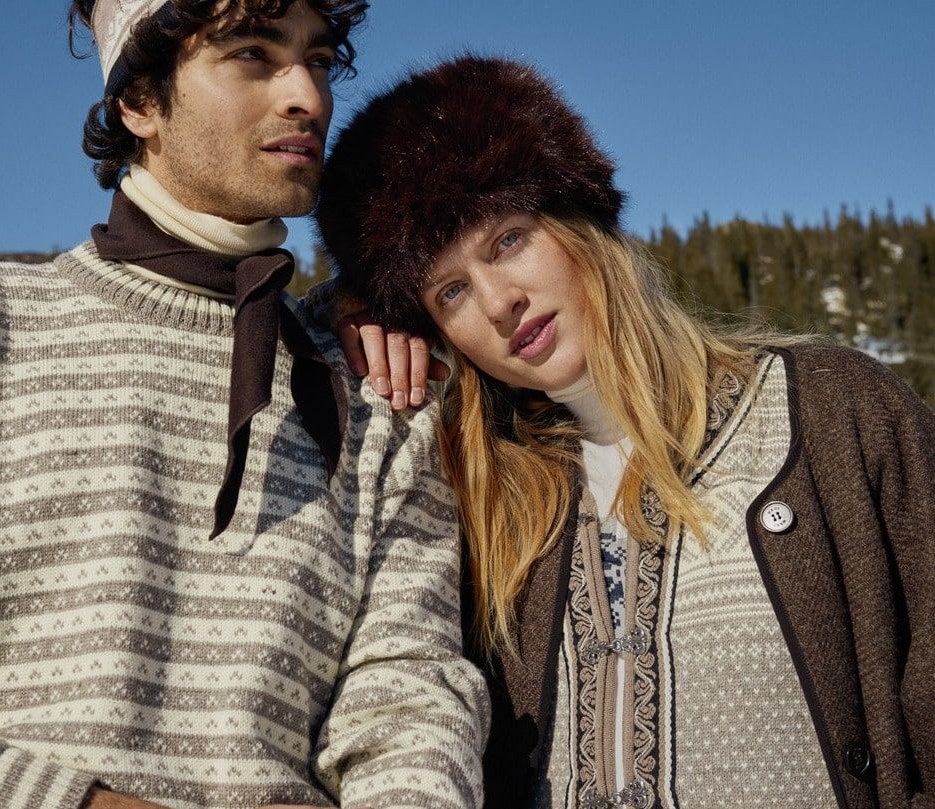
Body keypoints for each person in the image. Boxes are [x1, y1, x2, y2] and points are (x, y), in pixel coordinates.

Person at [313, 56, 935, 809]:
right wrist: (344, 308)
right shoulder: (486, 506)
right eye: (450, 291)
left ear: (580, 221)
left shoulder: (833, 412)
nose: (498, 302)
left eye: (507, 241)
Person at [0, 5, 489, 809]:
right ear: (139, 103)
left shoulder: (380, 383)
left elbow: (408, 692)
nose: (307, 96)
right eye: (253, 55)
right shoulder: (15, 324)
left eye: (318, 60)